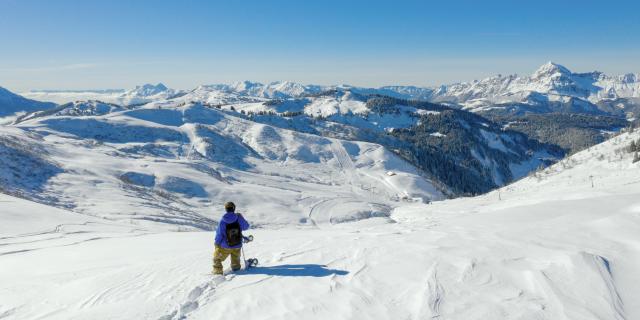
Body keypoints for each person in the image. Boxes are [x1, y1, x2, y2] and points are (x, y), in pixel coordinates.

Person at [213, 201, 250, 275]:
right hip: (237, 245)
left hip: (225, 246)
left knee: (217, 258)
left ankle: (217, 273)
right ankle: (236, 269)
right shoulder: (238, 218)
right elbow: (246, 227)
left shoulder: (222, 221)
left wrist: (216, 244)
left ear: (226, 209)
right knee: (235, 259)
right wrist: (241, 217)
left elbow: (219, 234)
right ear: (234, 209)